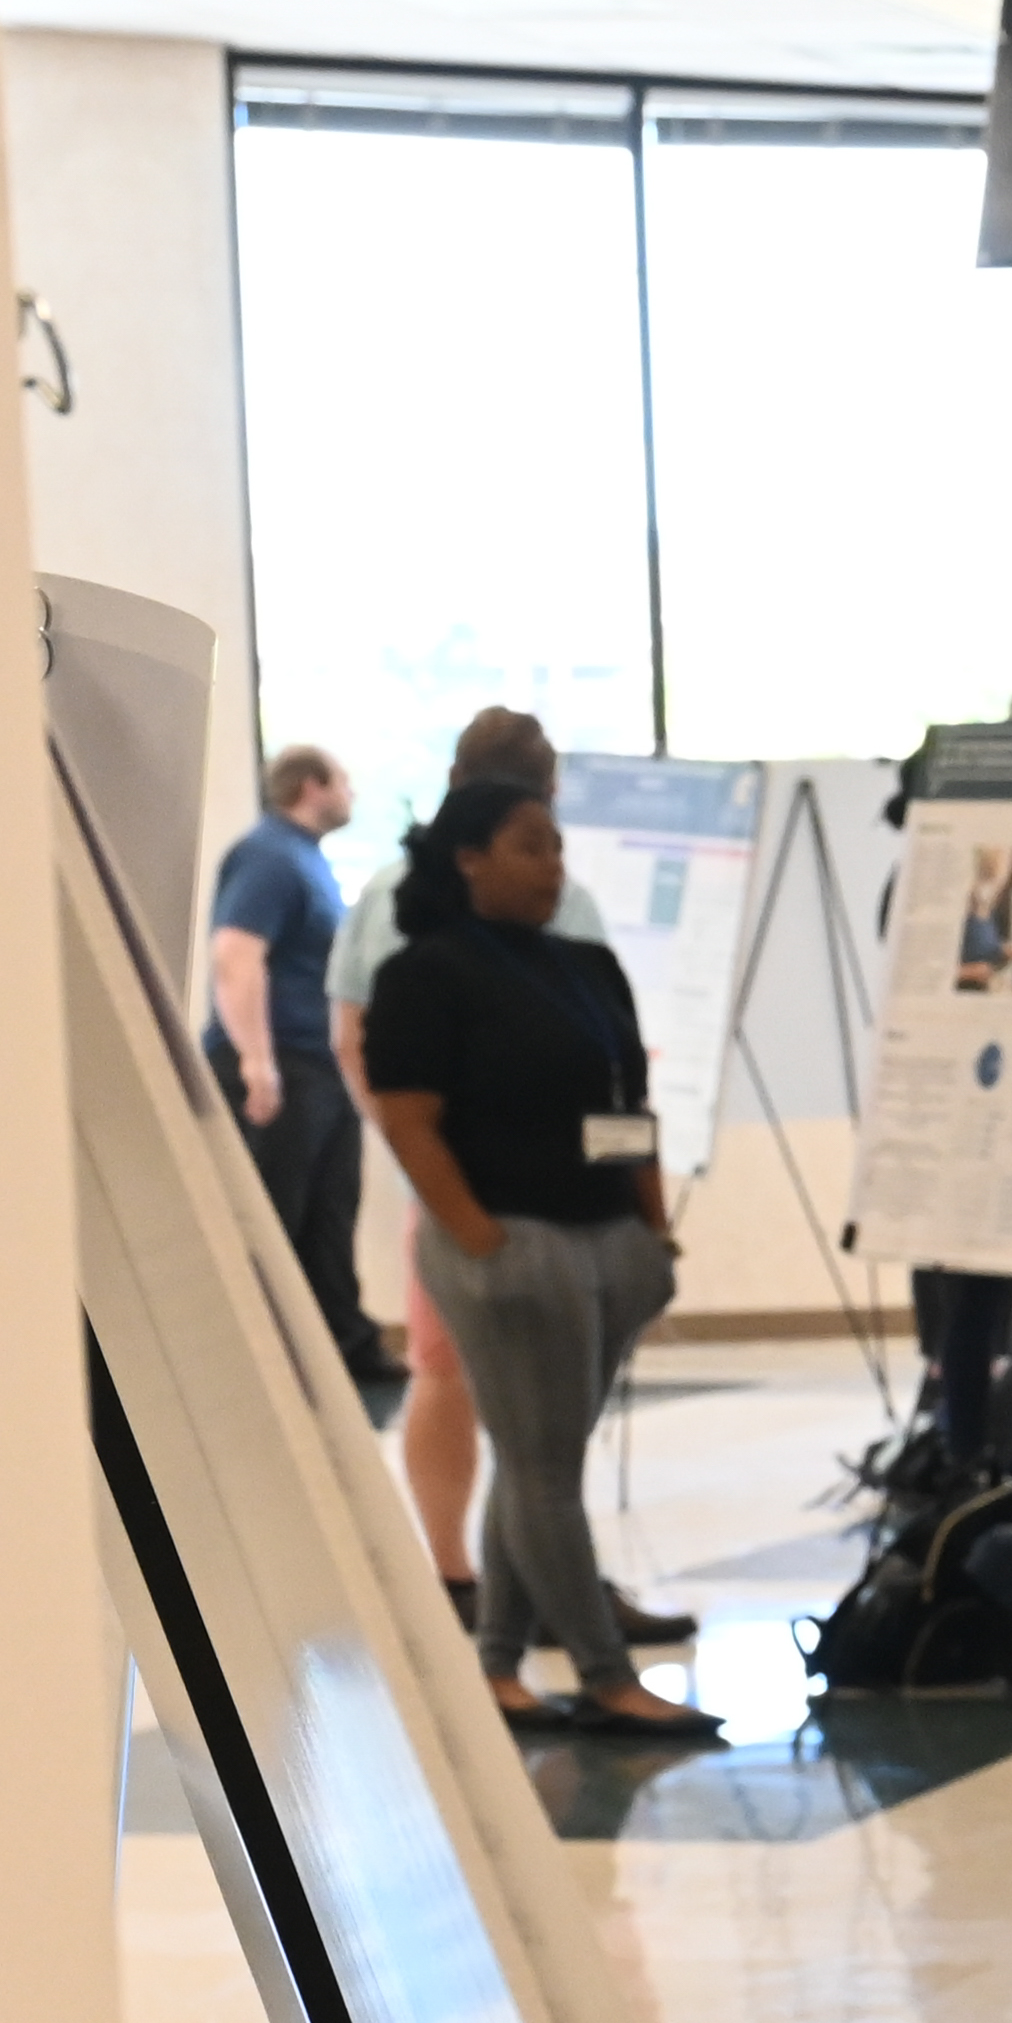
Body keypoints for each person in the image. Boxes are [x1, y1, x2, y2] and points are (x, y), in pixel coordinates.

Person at [358, 717, 720, 1744]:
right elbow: (408, 1118)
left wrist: (653, 1236)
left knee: (538, 1461)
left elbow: (630, 1110)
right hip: (512, 1247)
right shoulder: (423, 974)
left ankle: (498, 1666)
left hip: (605, 1241)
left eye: (556, 845)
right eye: (530, 846)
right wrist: (479, 1238)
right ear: (468, 857)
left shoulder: (583, 969)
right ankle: (606, 1676)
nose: (551, 864)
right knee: (543, 1463)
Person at [209, 744, 389, 1399]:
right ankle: (263, 1366)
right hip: (280, 1064)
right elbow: (235, 956)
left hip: (319, 1066)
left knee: (329, 1213)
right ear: (312, 786)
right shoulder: (268, 855)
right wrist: (258, 1061)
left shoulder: (305, 859)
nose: (351, 794)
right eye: (343, 781)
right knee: (278, 1216)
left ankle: (341, 1345)